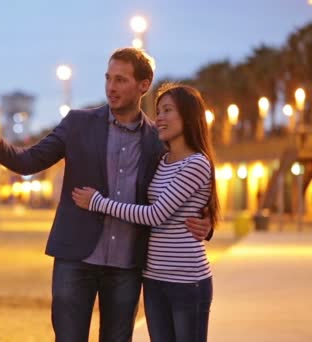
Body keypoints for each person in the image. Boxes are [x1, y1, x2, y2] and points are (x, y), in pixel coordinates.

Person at [0, 48, 212, 342]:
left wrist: (206, 222)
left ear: (144, 84)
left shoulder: (157, 140)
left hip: (127, 266)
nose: (111, 88)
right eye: (108, 78)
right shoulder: (77, 123)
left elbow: (183, 192)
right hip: (75, 259)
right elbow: (30, 161)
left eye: (121, 80)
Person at [72, 83, 218, 342]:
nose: (159, 118)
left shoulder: (196, 163)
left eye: (168, 110)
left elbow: (155, 215)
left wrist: (98, 202)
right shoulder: (162, 161)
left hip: (187, 280)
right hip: (153, 278)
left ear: (188, 115)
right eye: (159, 111)